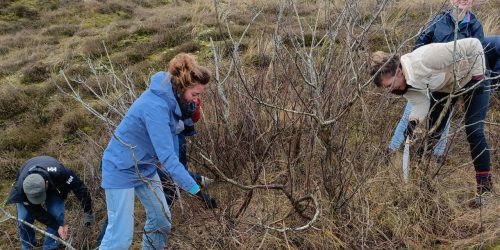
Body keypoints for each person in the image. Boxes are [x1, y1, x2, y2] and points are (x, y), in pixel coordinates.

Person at [99, 53, 212, 249]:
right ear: (182, 87)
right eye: (195, 94)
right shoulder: (156, 107)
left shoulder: (173, 103)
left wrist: (188, 182)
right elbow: (168, 159)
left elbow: (174, 153)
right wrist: (197, 191)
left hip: (144, 167)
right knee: (119, 237)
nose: (196, 100)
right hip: (120, 168)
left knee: (161, 220)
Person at [370, 38, 492, 206]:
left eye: (390, 85)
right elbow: (420, 103)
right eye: (386, 88)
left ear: (398, 71)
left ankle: (484, 188)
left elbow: (473, 45)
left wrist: (478, 76)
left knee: (473, 130)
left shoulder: (426, 58)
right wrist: (412, 124)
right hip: (446, 88)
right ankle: (422, 187)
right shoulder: (403, 85)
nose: (390, 91)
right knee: (432, 135)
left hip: (472, 78)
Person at [388, 0, 485, 158]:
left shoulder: (475, 26)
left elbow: (478, 55)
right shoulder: (438, 20)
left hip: (450, 83)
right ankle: (393, 151)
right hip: (426, 78)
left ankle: (435, 157)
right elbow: (420, 43)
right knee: (410, 114)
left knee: (442, 119)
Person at [6, 156, 94, 250]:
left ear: (46, 184)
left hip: (54, 185)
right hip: (30, 180)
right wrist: (56, 226)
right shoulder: (21, 188)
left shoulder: (61, 173)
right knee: (23, 220)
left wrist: (87, 212)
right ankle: (27, 246)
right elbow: (36, 211)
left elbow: (80, 188)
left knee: (57, 214)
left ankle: (50, 247)